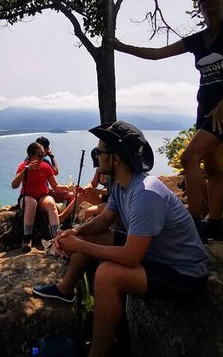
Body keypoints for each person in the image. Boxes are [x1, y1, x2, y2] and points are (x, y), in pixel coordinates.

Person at [32, 121, 209, 357]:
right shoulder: (122, 185)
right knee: (91, 233)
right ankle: (66, 289)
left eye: (100, 151)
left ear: (115, 158)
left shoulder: (145, 194)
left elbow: (130, 256)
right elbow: (104, 220)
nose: (97, 156)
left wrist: (80, 245)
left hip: (182, 271)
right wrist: (77, 233)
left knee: (107, 274)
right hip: (155, 253)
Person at [113, 0, 223, 241]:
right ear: (199, 6)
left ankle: (194, 223)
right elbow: (158, 54)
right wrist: (121, 46)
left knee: (189, 158)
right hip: (205, 108)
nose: (209, 0)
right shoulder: (198, 40)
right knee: (213, 167)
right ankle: (215, 224)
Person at [12, 142, 68, 252]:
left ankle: (56, 237)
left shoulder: (46, 167)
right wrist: (26, 170)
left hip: (42, 197)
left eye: (43, 155)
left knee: (51, 202)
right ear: (31, 155)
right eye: (40, 155)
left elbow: (55, 186)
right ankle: (27, 238)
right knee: (32, 203)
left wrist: (67, 188)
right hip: (26, 198)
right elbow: (14, 185)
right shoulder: (23, 167)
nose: (42, 158)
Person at [58, 148, 111, 224]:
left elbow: (113, 191)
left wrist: (97, 191)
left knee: (89, 211)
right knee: (82, 194)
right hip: (103, 199)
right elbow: (93, 184)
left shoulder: (112, 172)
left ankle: (86, 232)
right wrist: (85, 189)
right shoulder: (99, 170)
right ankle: (62, 217)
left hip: (112, 202)